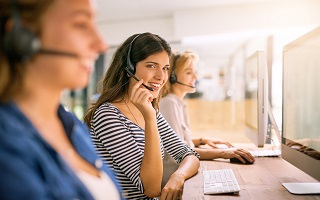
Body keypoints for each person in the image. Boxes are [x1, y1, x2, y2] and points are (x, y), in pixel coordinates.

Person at [0, 0, 122, 199]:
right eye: (81, 25)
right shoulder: (6, 143)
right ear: (21, 36)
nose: (101, 44)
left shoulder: (72, 125)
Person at [84, 32, 200, 200]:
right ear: (129, 68)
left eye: (165, 68)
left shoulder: (149, 110)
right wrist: (150, 118)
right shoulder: (108, 115)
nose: (161, 77)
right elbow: (151, 188)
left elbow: (189, 154)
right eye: (151, 66)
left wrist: (178, 177)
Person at [160, 50, 255, 164]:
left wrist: (202, 140)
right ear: (172, 76)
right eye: (188, 72)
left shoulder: (177, 103)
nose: (195, 77)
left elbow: (177, 142)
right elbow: (178, 151)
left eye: (194, 72)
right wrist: (225, 153)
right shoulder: (169, 103)